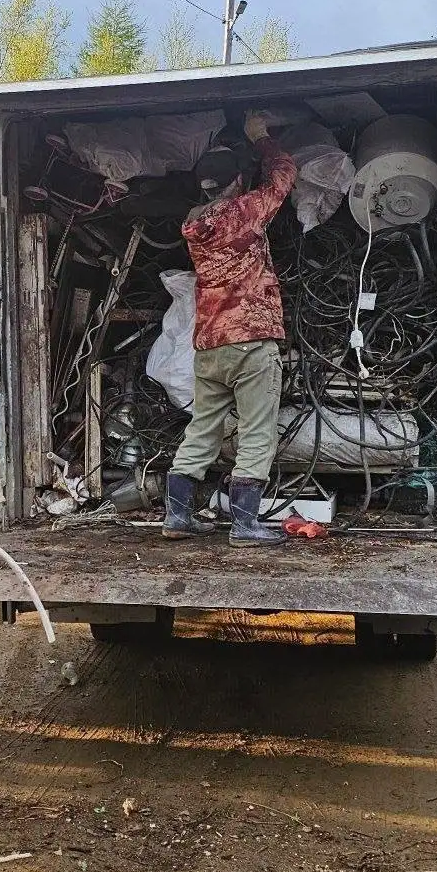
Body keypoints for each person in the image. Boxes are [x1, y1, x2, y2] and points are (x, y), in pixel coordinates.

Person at [162, 111, 297, 547]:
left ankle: (177, 516)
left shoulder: (192, 223)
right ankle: (245, 525)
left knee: (203, 427)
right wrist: (261, 138)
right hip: (251, 340)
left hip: (208, 343)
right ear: (236, 181)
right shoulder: (245, 210)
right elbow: (284, 174)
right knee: (258, 431)